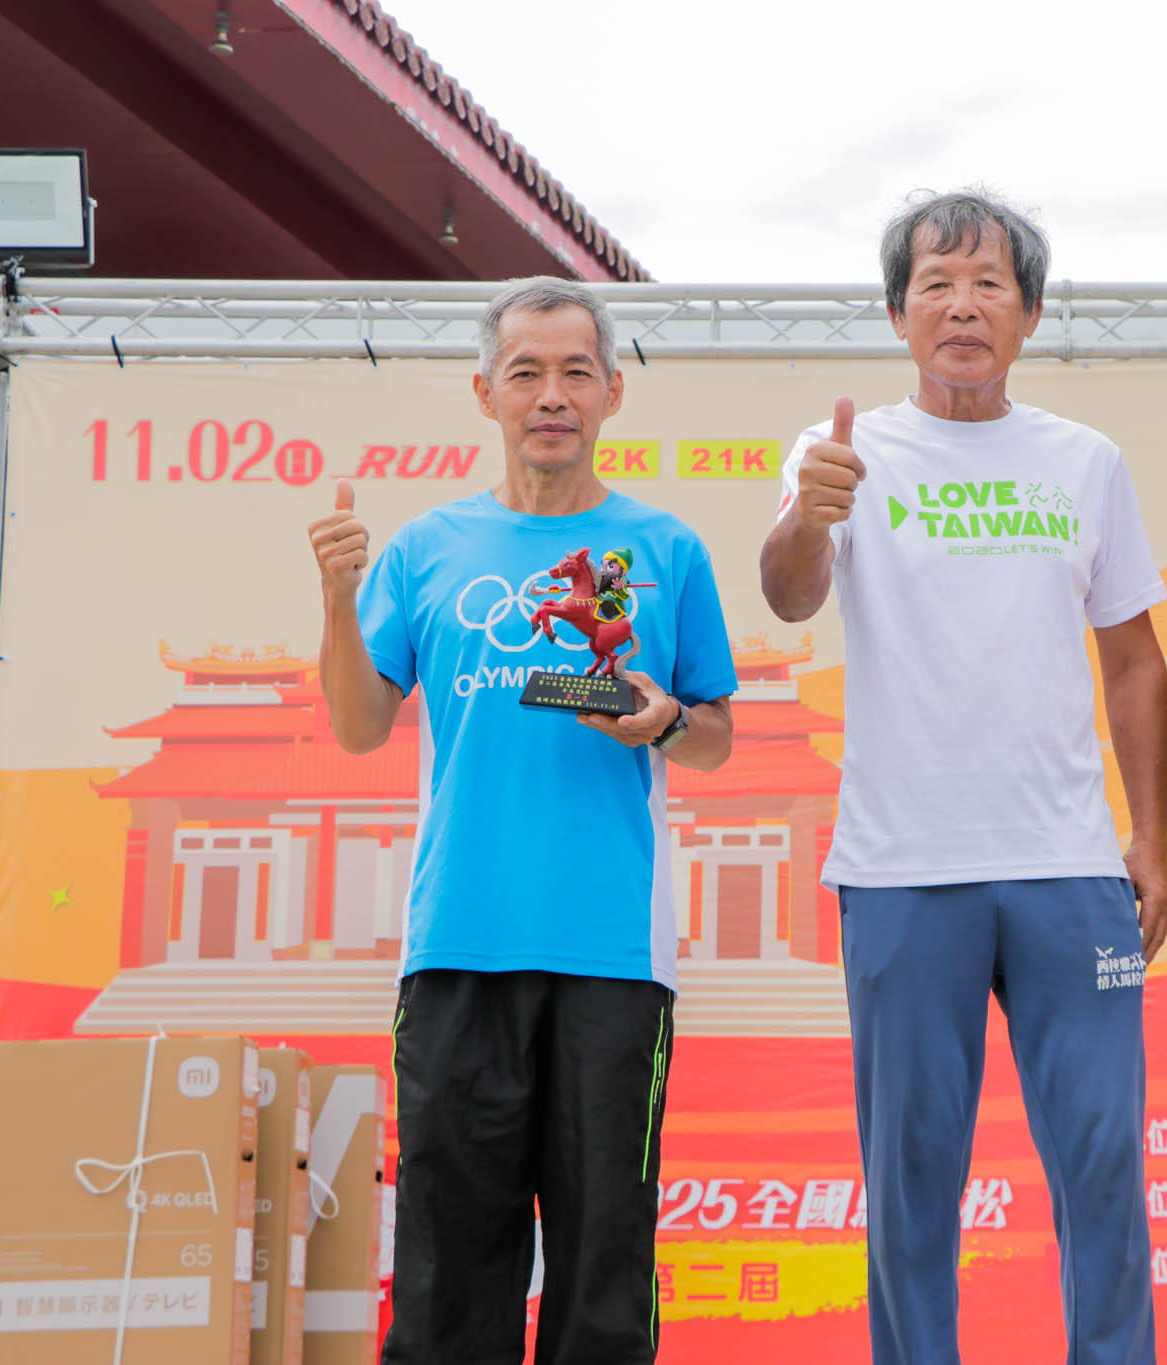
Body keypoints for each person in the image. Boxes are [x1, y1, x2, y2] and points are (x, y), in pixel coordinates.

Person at [759, 188, 1167, 1365]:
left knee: (1103, 1164)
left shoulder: (1083, 462)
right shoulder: (841, 450)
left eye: (987, 283)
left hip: (1067, 871)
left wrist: (1148, 841)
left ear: (1028, 313)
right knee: (910, 1178)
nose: (960, 305)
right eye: (934, 284)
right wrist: (807, 518)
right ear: (897, 314)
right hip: (903, 872)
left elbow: (1133, 663)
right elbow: (789, 594)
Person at [306, 276, 737, 1364]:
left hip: (613, 953)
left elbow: (716, 736)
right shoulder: (426, 548)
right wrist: (337, 599)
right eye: (526, 372)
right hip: (459, 942)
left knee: (604, 1258)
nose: (552, 395)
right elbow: (359, 726)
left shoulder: (664, 550)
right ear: (485, 393)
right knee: (450, 1255)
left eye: (576, 372)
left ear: (612, 393)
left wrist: (664, 721)